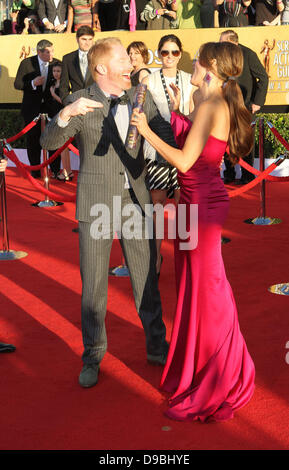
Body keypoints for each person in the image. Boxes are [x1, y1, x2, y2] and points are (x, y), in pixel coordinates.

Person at [40, 37, 176, 388]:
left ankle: (157, 347)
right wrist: (65, 114)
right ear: (102, 68)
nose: (130, 64)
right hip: (95, 203)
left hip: (136, 201)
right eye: (122, 59)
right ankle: (93, 355)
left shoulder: (140, 97)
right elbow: (49, 144)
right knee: (94, 287)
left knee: (147, 279)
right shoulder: (79, 100)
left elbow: (168, 136)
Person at [131, 41, 255, 422]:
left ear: (211, 65)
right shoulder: (211, 101)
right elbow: (197, 142)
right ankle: (196, 367)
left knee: (208, 290)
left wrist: (145, 130)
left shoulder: (214, 104)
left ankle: (223, 373)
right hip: (193, 204)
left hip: (201, 207)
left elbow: (185, 161)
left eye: (197, 59)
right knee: (192, 288)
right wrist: (176, 110)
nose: (192, 64)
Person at [142, 34, 195, 276]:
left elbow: (194, 116)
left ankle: (189, 260)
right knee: (156, 207)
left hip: (185, 149)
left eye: (174, 52)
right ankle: (155, 258)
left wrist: (180, 109)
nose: (170, 57)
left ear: (180, 54)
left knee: (185, 208)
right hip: (158, 151)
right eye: (165, 52)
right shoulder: (149, 81)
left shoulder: (189, 80)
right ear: (158, 54)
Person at [220, 29, 268, 184]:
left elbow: (263, 77)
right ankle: (229, 173)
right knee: (226, 140)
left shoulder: (248, 54)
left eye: (223, 43)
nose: (219, 46)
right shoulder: (219, 56)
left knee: (245, 141)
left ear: (234, 42)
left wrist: (257, 102)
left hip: (245, 106)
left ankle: (248, 175)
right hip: (225, 105)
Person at [14, 39, 59, 178]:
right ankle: (35, 170)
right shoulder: (27, 63)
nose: (51, 54)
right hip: (31, 108)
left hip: (51, 109)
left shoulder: (57, 63)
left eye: (52, 50)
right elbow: (18, 84)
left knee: (53, 139)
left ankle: (55, 170)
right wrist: (33, 83)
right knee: (33, 140)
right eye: (47, 52)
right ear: (39, 52)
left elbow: (62, 84)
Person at [47, 62, 73, 181]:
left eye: (58, 71)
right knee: (57, 146)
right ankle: (58, 171)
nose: (56, 73)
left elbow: (65, 102)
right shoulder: (52, 84)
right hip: (52, 117)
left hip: (63, 118)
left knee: (63, 146)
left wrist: (53, 93)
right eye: (54, 71)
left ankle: (68, 172)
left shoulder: (65, 85)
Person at [59, 25, 95, 104]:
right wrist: (67, 103)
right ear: (77, 39)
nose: (87, 43)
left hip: (96, 103)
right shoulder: (67, 59)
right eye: (84, 39)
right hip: (75, 103)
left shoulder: (99, 57)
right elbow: (63, 85)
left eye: (90, 39)